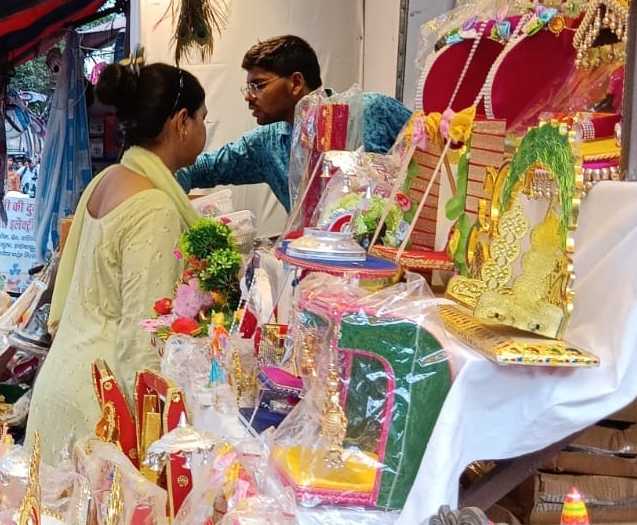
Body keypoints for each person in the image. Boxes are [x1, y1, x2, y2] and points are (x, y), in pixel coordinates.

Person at [26, 62, 208, 458]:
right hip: (101, 404)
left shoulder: (108, 179)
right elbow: (143, 338)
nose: (203, 131)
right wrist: (158, 437)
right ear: (181, 122)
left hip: (64, 379)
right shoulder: (155, 207)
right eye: (202, 119)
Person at [176, 35, 412, 211]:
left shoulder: (370, 110)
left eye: (258, 85)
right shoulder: (266, 144)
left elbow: (436, 148)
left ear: (296, 83)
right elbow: (202, 169)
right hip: (317, 271)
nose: (248, 96)